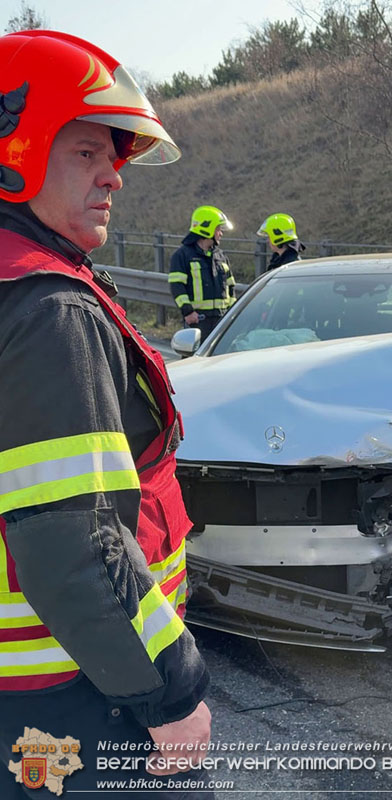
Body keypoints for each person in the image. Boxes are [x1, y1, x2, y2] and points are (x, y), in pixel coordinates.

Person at [0, 30, 213, 798]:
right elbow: (74, 544)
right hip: (83, 693)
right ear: (16, 153)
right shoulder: (50, 312)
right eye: (87, 151)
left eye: (114, 156)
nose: (113, 176)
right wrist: (170, 695)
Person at [169, 206, 236, 341]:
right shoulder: (182, 256)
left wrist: (233, 314)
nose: (221, 233)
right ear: (207, 229)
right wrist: (188, 311)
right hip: (198, 320)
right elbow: (177, 286)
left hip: (222, 320)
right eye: (218, 229)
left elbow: (231, 287)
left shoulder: (221, 256)